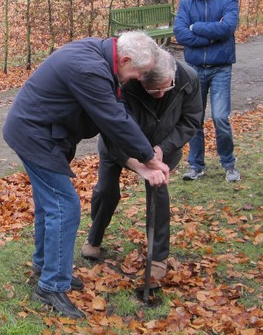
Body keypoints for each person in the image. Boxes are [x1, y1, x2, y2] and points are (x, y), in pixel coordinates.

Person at [2, 31, 167, 319]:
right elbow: (114, 120)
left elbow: (114, 115)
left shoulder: (102, 57)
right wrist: (149, 157)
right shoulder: (89, 68)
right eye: (138, 72)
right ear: (125, 59)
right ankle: (51, 285)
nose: (137, 79)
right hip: (33, 135)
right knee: (64, 207)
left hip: (40, 133)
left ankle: (46, 265)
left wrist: (141, 163)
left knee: (50, 206)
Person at [81, 46, 202, 282]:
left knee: (159, 194)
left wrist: (161, 150)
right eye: (150, 90)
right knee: (106, 191)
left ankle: (158, 257)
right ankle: (94, 237)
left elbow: (191, 120)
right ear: (141, 77)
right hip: (119, 146)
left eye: (163, 89)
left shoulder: (189, 79)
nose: (158, 95)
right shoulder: (126, 82)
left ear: (173, 76)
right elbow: (112, 127)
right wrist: (139, 159)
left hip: (163, 146)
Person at [173, 0, 241, 182]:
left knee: (220, 117)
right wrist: (213, 36)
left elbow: (227, 27)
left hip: (220, 68)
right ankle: (196, 165)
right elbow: (180, 34)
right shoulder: (186, 3)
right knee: (194, 119)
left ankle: (229, 163)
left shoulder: (229, 0)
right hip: (193, 70)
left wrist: (197, 28)